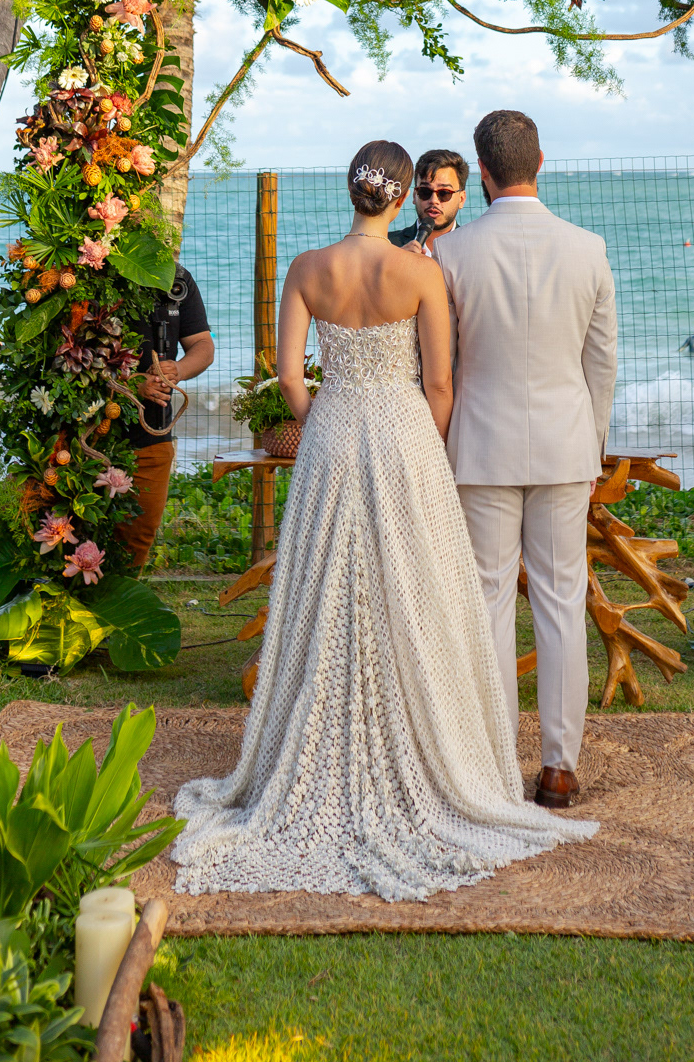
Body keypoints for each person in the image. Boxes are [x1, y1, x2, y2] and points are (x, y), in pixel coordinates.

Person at [170, 139, 596, 899]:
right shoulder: (421, 272)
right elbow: (439, 384)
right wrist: (421, 444)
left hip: (332, 435)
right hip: (405, 437)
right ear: (401, 198)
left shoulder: (307, 269)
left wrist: (326, 418)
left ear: (352, 190)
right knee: (416, 588)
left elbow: (290, 377)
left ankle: (319, 741)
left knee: (326, 590)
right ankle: (437, 743)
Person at [433, 109, 617, 812]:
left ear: (481, 172)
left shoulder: (452, 254)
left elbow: (441, 365)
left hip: (480, 446)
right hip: (566, 446)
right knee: (561, 601)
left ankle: (491, 761)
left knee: (485, 600)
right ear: (540, 161)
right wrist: (592, 445)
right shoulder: (588, 248)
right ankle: (558, 769)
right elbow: (601, 362)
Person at [115, 272, 215, 572]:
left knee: (140, 533)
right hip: (93, 432)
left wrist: (178, 370)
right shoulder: (98, 272)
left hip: (153, 432)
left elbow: (203, 345)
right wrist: (132, 384)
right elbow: (74, 355)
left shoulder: (178, 280)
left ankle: (121, 594)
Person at [388, 148, 469, 254]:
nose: (434, 200)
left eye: (444, 193)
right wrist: (396, 260)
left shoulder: (474, 247)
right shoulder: (388, 246)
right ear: (414, 195)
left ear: (461, 199)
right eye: (425, 192)